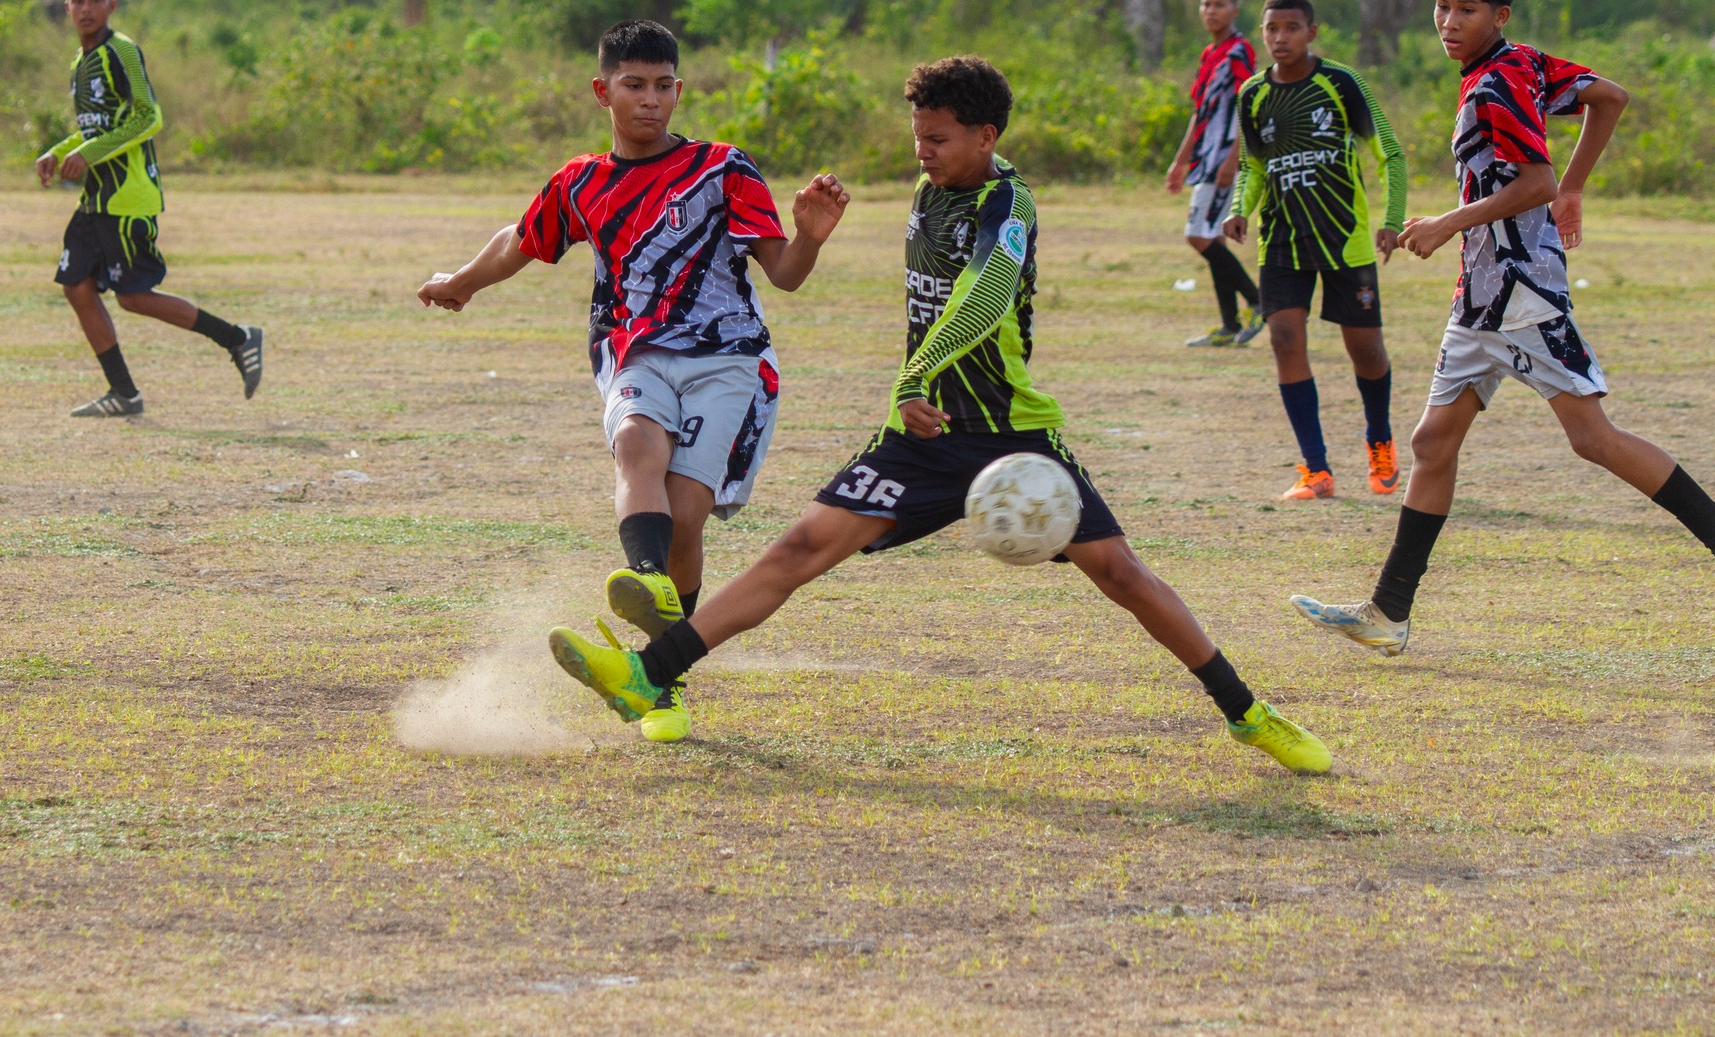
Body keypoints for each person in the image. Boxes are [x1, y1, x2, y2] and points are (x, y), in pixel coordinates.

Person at [547, 54, 1332, 774]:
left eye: (940, 138)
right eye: (918, 135)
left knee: (1122, 574)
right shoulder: (929, 192)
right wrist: (912, 389)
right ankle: (650, 676)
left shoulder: (1006, 202)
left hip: (1010, 433)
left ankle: (1249, 712)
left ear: (986, 136)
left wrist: (917, 372)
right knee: (797, 550)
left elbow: (983, 297)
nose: (923, 151)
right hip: (919, 432)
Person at [417, 18, 849, 743]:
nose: (650, 100)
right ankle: (646, 584)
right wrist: (460, 282)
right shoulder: (581, 181)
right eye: (633, 85)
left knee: (687, 520)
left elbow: (786, 274)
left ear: (680, 90)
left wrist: (807, 235)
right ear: (602, 91)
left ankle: (657, 682)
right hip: (634, 349)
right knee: (636, 447)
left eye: (662, 86)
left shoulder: (721, 169)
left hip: (728, 359)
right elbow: (519, 238)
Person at [1292, 0, 1715, 656]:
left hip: (1520, 290)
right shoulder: (1523, 63)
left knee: (1593, 439)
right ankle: (1389, 611)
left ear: (1500, 12)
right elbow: (1609, 98)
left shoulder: (1496, 85)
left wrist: (1449, 221)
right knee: (1431, 442)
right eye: (1442, 7)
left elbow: (1534, 183)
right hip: (1481, 297)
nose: (1449, 22)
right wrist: (1576, 183)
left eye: (1467, 9)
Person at [36, 0, 262, 416]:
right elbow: (94, 128)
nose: (85, 8)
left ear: (111, 6)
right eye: (76, 1)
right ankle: (124, 394)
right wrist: (57, 151)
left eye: (94, 0)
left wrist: (91, 152)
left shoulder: (121, 52)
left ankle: (237, 338)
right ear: (66, 9)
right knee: (76, 286)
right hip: (96, 199)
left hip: (128, 198)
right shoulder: (79, 64)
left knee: (133, 297)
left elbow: (147, 117)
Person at [1221, 0, 1406, 500]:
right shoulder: (1253, 96)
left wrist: (1391, 219)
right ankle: (1315, 469)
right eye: (1271, 29)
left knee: (1365, 349)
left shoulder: (1342, 84)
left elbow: (1389, 152)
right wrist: (1240, 207)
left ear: (1312, 32)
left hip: (1344, 240)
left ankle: (1380, 444)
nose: (1280, 38)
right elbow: (1254, 166)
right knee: (1283, 340)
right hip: (1281, 242)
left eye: (1292, 28)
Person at [1164, 0, 1263, 347]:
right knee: (1213, 236)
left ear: (1234, 11)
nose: (1211, 10)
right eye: (1206, 4)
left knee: (1198, 235)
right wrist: (1179, 161)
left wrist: (1234, 156)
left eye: (1219, 4)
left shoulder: (1239, 51)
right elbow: (1199, 112)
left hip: (1224, 157)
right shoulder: (1211, 54)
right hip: (1204, 158)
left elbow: (1247, 105)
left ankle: (1258, 300)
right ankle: (1229, 325)